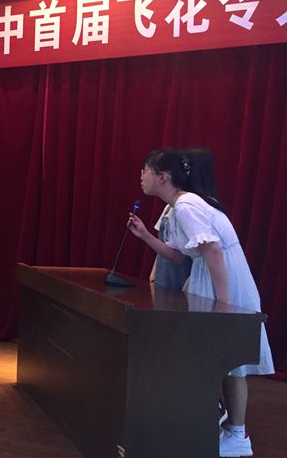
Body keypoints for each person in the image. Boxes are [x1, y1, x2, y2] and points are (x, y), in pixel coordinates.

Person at [128, 148, 274, 458]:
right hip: (210, 277)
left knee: (230, 362)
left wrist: (224, 306)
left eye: (145, 170)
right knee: (219, 362)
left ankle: (236, 434)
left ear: (163, 177)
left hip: (224, 281)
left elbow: (213, 251)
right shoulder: (179, 206)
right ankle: (222, 426)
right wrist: (145, 236)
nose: (141, 176)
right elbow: (178, 256)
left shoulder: (186, 206)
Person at [149, 147, 219, 288]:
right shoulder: (172, 204)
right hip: (165, 276)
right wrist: (154, 274)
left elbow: (208, 252)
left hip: (186, 277)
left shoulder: (196, 206)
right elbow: (165, 241)